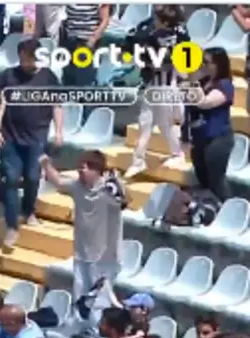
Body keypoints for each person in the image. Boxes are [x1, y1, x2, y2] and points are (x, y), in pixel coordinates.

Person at [0, 39, 63, 249]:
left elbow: (57, 105)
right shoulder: (9, 75)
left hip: (37, 135)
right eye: (22, 58)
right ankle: (12, 226)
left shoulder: (48, 77)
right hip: (10, 135)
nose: (25, 63)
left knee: (32, 176)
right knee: (11, 179)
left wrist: (59, 131)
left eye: (29, 59)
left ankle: (28, 210)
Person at [39, 150, 125, 306]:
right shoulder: (77, 187)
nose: (79, 171)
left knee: (98, 303)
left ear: (96, 170)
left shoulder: (108, 190)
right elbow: (58, 182)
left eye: (83, 168)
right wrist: (46, 165)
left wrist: (116, 182)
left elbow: (125, 201)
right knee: (80, 300)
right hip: (81, 254)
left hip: (105, 258)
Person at [123, 5, 189, 178]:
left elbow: (175, 63)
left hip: (167, 86)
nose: (155, 22)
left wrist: (157, 63)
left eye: (158, 19)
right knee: (144, 122)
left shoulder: (177, 37)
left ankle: (178, 153)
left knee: (164, 123)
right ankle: (138, 160)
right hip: (154, 84)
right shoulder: (154, 35)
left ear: (165, 22)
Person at [186, 48, 236, 201]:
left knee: (216, 181)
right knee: (203, 178)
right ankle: (211, 207)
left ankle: (227, 207)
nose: (203, 65)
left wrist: (193, 82)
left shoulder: (225, 85)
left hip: (218, 139)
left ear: (218, 65)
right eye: (201, 61)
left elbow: (204, 103)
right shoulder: (203, 82)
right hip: (199, 138)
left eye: (206, 62)